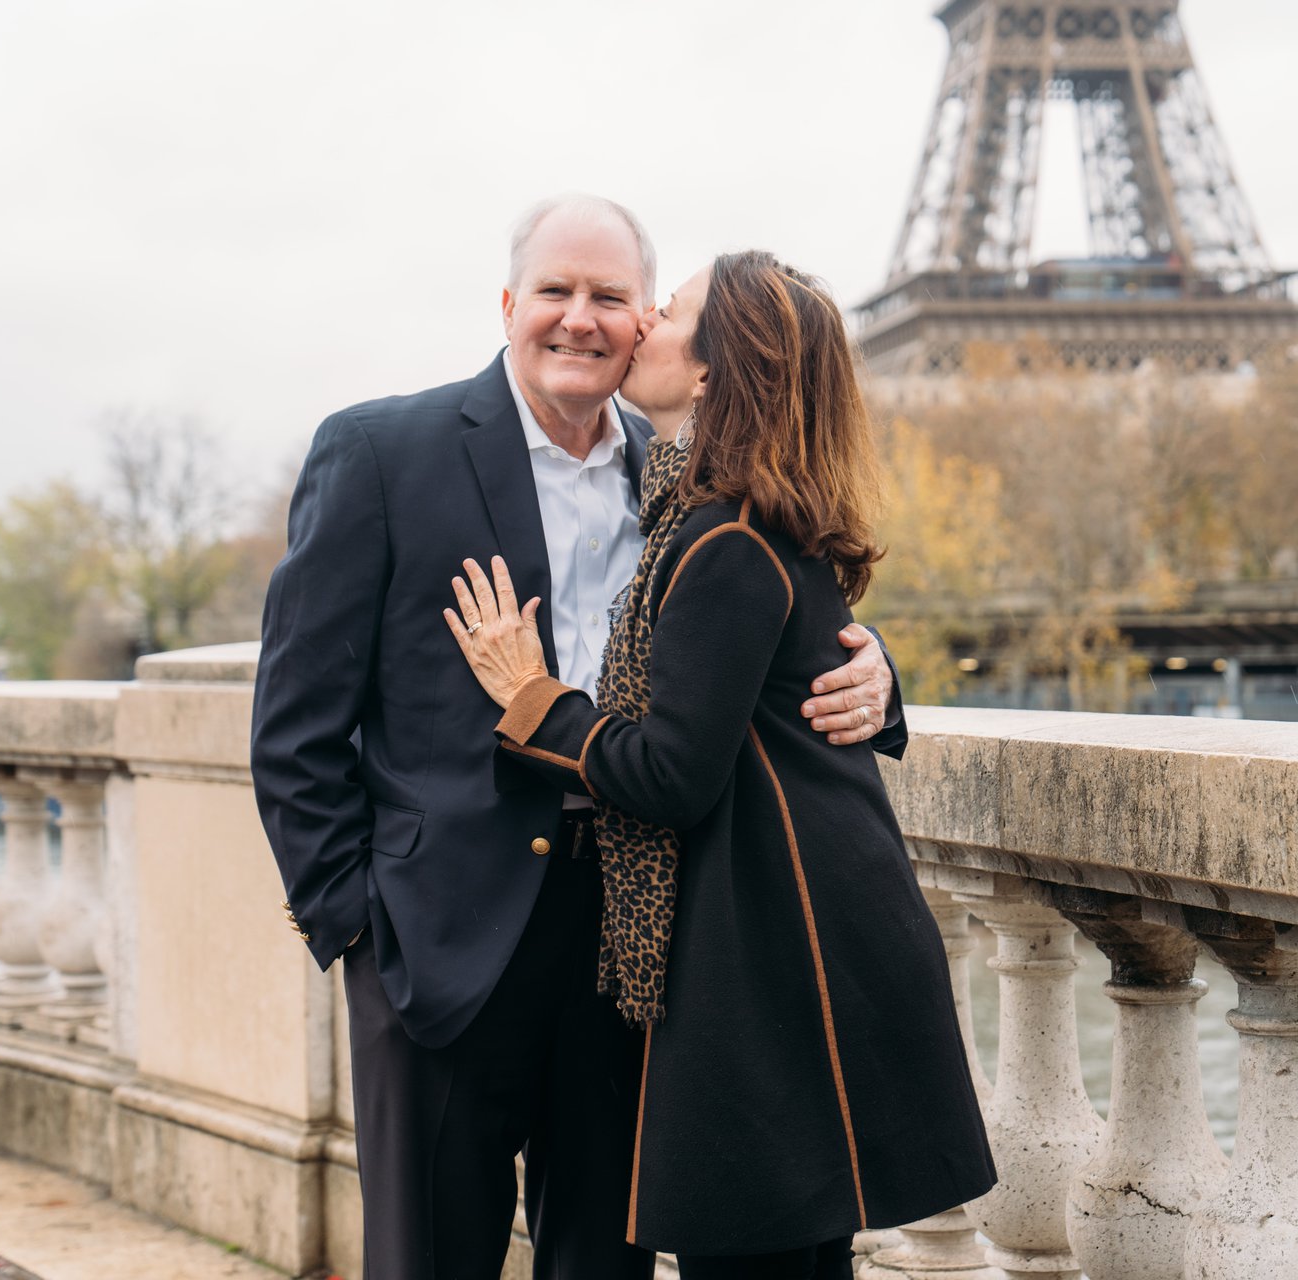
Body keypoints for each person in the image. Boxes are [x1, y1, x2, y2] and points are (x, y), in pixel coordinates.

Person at [250, 196, 904, 1280]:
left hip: (635, 950)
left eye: (611, 296)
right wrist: (358, 927)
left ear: (646, 320)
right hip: (436, 942)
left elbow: (767, 606)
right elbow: (294, 721)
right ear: (510, 303)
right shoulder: (379, 452)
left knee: (604, 1262)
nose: (580, 317)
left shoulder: (683, 466)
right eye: (555, 290)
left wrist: (875, 664)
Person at [445, 250, 996, 1279]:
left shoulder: (721, 536)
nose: (643, 322)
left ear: (711, 371)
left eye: (670, 312)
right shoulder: (732, 519)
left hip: (773, 963)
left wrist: (533, 697)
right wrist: (880, 677)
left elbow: (671, 773)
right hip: (802, 943)